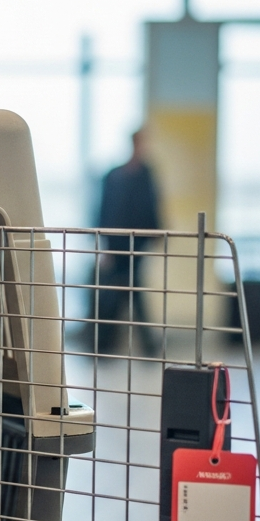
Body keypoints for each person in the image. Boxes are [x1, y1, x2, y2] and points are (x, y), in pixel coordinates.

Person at [94, 128, 161, 354]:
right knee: (115, 294)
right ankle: (104, 344)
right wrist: (104, 246)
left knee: (130, 292)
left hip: (137, 245)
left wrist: (157, 235)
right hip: (116, 244)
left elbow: (152, 208)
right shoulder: (115, 175)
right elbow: (105, 212)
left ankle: (108, 344)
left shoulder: (146, 174)